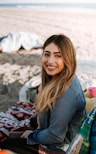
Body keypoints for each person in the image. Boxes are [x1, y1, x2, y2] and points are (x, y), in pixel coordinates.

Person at [0, 34, 86, 154]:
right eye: (47, 54)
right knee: (12, 136)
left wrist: (30, 135)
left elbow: (55, 136)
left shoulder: (67, 92)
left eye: (58, 56)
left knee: (6, 145)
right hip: (48, 133)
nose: (50, 61)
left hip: (60, 147)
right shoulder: (56, 78)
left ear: (68, 59)